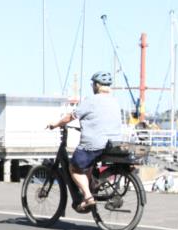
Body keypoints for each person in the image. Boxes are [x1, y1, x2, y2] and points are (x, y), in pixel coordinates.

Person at [47, 71, 122, 211]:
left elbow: (70, 117)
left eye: (93, 84)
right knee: (86, 165)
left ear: (97, 85)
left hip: (95, 144)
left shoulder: (91, 100)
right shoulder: (115, 101)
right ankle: (90, 189)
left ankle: (88, 198)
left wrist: (55, 124)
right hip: (113, 144)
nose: (92, 86)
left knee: (74, 167)